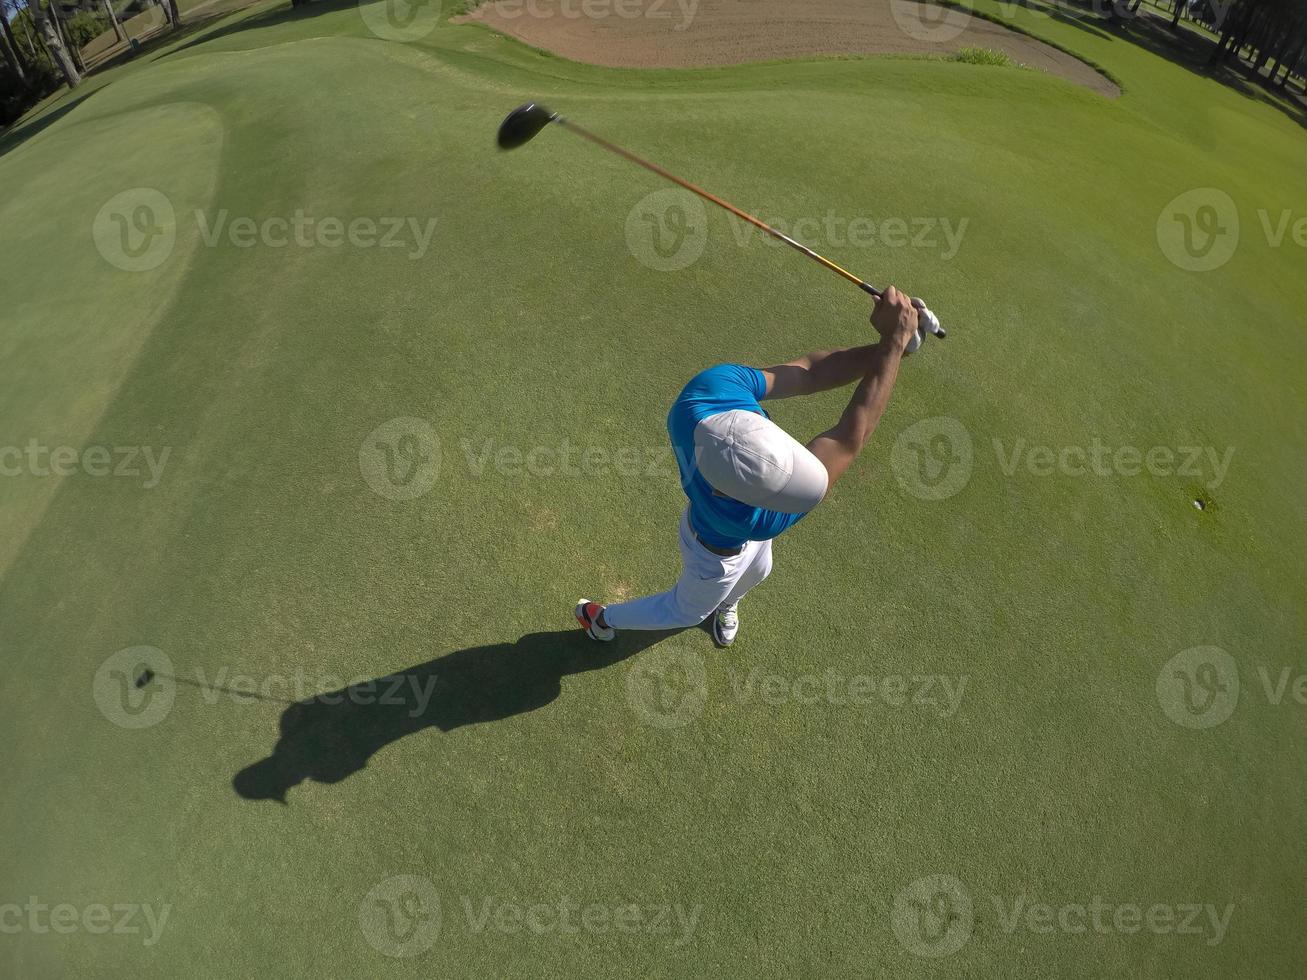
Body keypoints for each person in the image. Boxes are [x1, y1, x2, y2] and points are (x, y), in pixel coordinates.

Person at [576, 286, 920, 647]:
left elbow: (809, 372)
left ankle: (728, 602)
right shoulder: (752, 520)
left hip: (733, 527)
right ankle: (599, 617)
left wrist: (894, 346)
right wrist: (894, 343)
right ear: (765, 497)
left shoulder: (708, 393)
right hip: (712, 557)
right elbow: (852, 436)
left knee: (760, 569)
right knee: (684, 611)